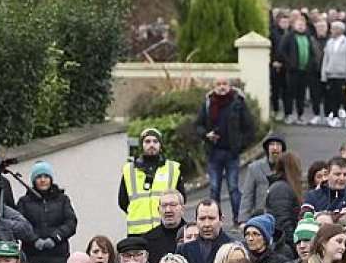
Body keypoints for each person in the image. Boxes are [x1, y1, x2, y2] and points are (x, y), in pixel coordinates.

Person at [195, 77, 256, 222]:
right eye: (218, 84)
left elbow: (249, 127)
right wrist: (206, 135)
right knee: (214, 189)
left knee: (233, 188)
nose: (222, 87)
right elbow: (198, 125)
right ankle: (215, 218)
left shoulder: (238, 103)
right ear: (214, 87)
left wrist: (240, 145)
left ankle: (239, 219)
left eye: (224, 84)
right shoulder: (209, 103)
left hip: (231, 153)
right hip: (213, 153)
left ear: (230, 86)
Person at [16, 161, 78, 263]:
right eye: (39, 177)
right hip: (32, 259)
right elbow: (19, 225)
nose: (43, 180)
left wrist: (55, 238)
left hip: (57, 260)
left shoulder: (63, 200)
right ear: (34, 180)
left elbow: (71, 223)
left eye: (46, 176)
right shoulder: (24, 202)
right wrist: (34, 239)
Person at [118, 128, 184, 235]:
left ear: (160, 145)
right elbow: (122, 201)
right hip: (138, 232)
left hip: (165, 229)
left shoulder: (173, 169)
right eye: (147, 141)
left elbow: (181, 198)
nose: (151, 144)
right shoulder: (129, 170)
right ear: (142, 145)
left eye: (155, 141)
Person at [177, 199, 232, 263]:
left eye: (211, 218)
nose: (206, 224)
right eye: (202, 219)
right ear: (196, 221)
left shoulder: (232, 248)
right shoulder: (184, 250)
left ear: (221, 220)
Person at [240, 135, 286, 224]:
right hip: (260, 217)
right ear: (267, 148)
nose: (275, 148)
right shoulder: (254, 168)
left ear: (282, 149)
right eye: (272, 144)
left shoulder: (288, 167)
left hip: (282, 217)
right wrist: (243, 220)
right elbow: (247, 195)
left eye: (278, 145)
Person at [141, 190, 186, 263]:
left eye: (173, 205)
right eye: (164, 205)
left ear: (182, 209)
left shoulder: (192, 235)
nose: (168, 210)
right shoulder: (147, 240)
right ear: (158, 210)